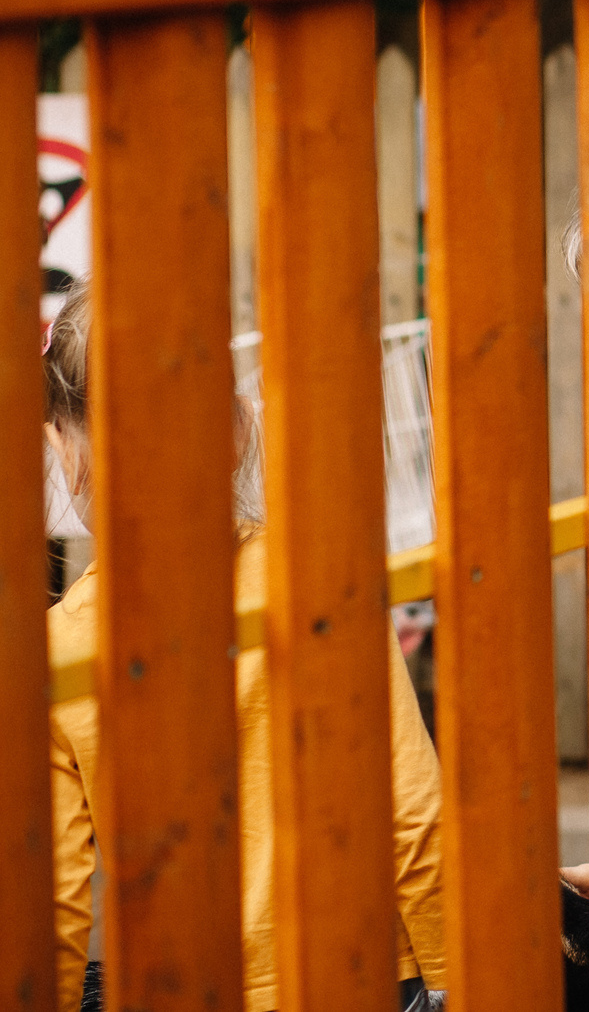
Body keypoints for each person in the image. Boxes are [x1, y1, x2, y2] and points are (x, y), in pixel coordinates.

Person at [42, 280, 449, 1012]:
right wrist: (456, 978)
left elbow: (55, 902)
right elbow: (413, 807)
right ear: (234, 430)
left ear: (62, 449)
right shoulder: (315, 574)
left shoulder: (60, 649)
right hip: (365, 974)